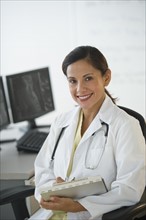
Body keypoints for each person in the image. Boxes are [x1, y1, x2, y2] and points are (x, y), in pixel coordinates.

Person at [34, 46, 145, 220]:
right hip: (52, 214)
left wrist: (78, 206)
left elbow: (129, 188)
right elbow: (42, 169)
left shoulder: (126, 125)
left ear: (106, 77)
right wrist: (53, 192)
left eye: (88, 78)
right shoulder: (61, 122)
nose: (80, 89)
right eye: (72, 81)